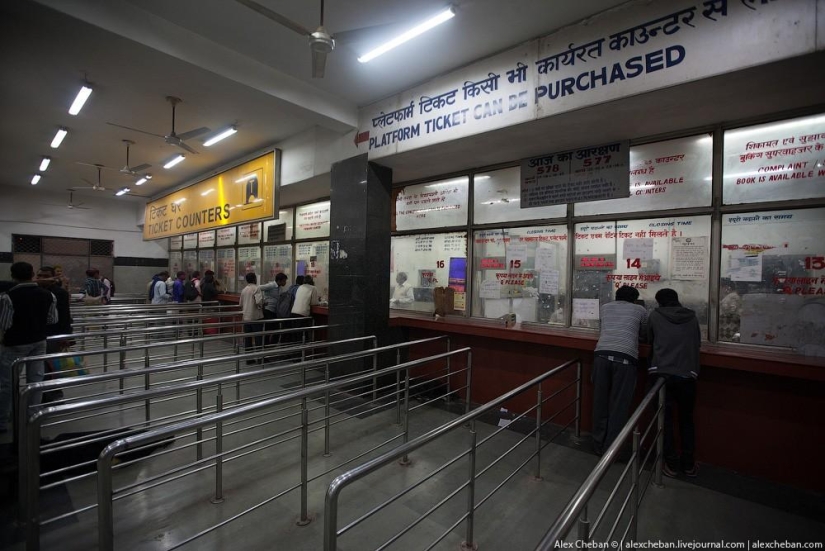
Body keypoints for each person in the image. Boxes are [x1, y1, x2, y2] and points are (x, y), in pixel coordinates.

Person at [647, 288, 701, 478]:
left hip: (661, 374)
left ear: (659, 302)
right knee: (686, 420)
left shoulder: (655, 316)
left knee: (665, 421)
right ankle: (688, 464)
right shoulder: (692, 317)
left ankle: (670, 463)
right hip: (687, 375)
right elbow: (698, 343)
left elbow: (648, 340)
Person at [0, 262, 58, 432]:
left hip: (14, 344)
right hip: (39, 342)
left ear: (13, 276)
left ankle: (3, 420)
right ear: (33, 274)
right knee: (36, 381)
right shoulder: (48, 295)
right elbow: (52, 320)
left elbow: (5, 323)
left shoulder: (7, 297)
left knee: (7, 382)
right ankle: (33, 414)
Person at [591, 285, 648, 456]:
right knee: (619, 406)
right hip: (625, 359)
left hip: (601, 356)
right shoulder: (640, 310)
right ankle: (612, 450)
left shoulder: (605, 307)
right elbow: (644, 334)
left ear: (616, 296)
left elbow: (604, 329)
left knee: (599, 402)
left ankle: (597, 444)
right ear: (635, 298)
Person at [239, 272, 264, 365]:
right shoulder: (256, 288)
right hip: (256, 317)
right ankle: (260, 358)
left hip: (246, 317)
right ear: (254, 279)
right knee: (258, 338)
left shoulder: (244, 290)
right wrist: (263, 305)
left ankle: (249, 359)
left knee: (248, 339)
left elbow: (240, 304)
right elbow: (259, 302)